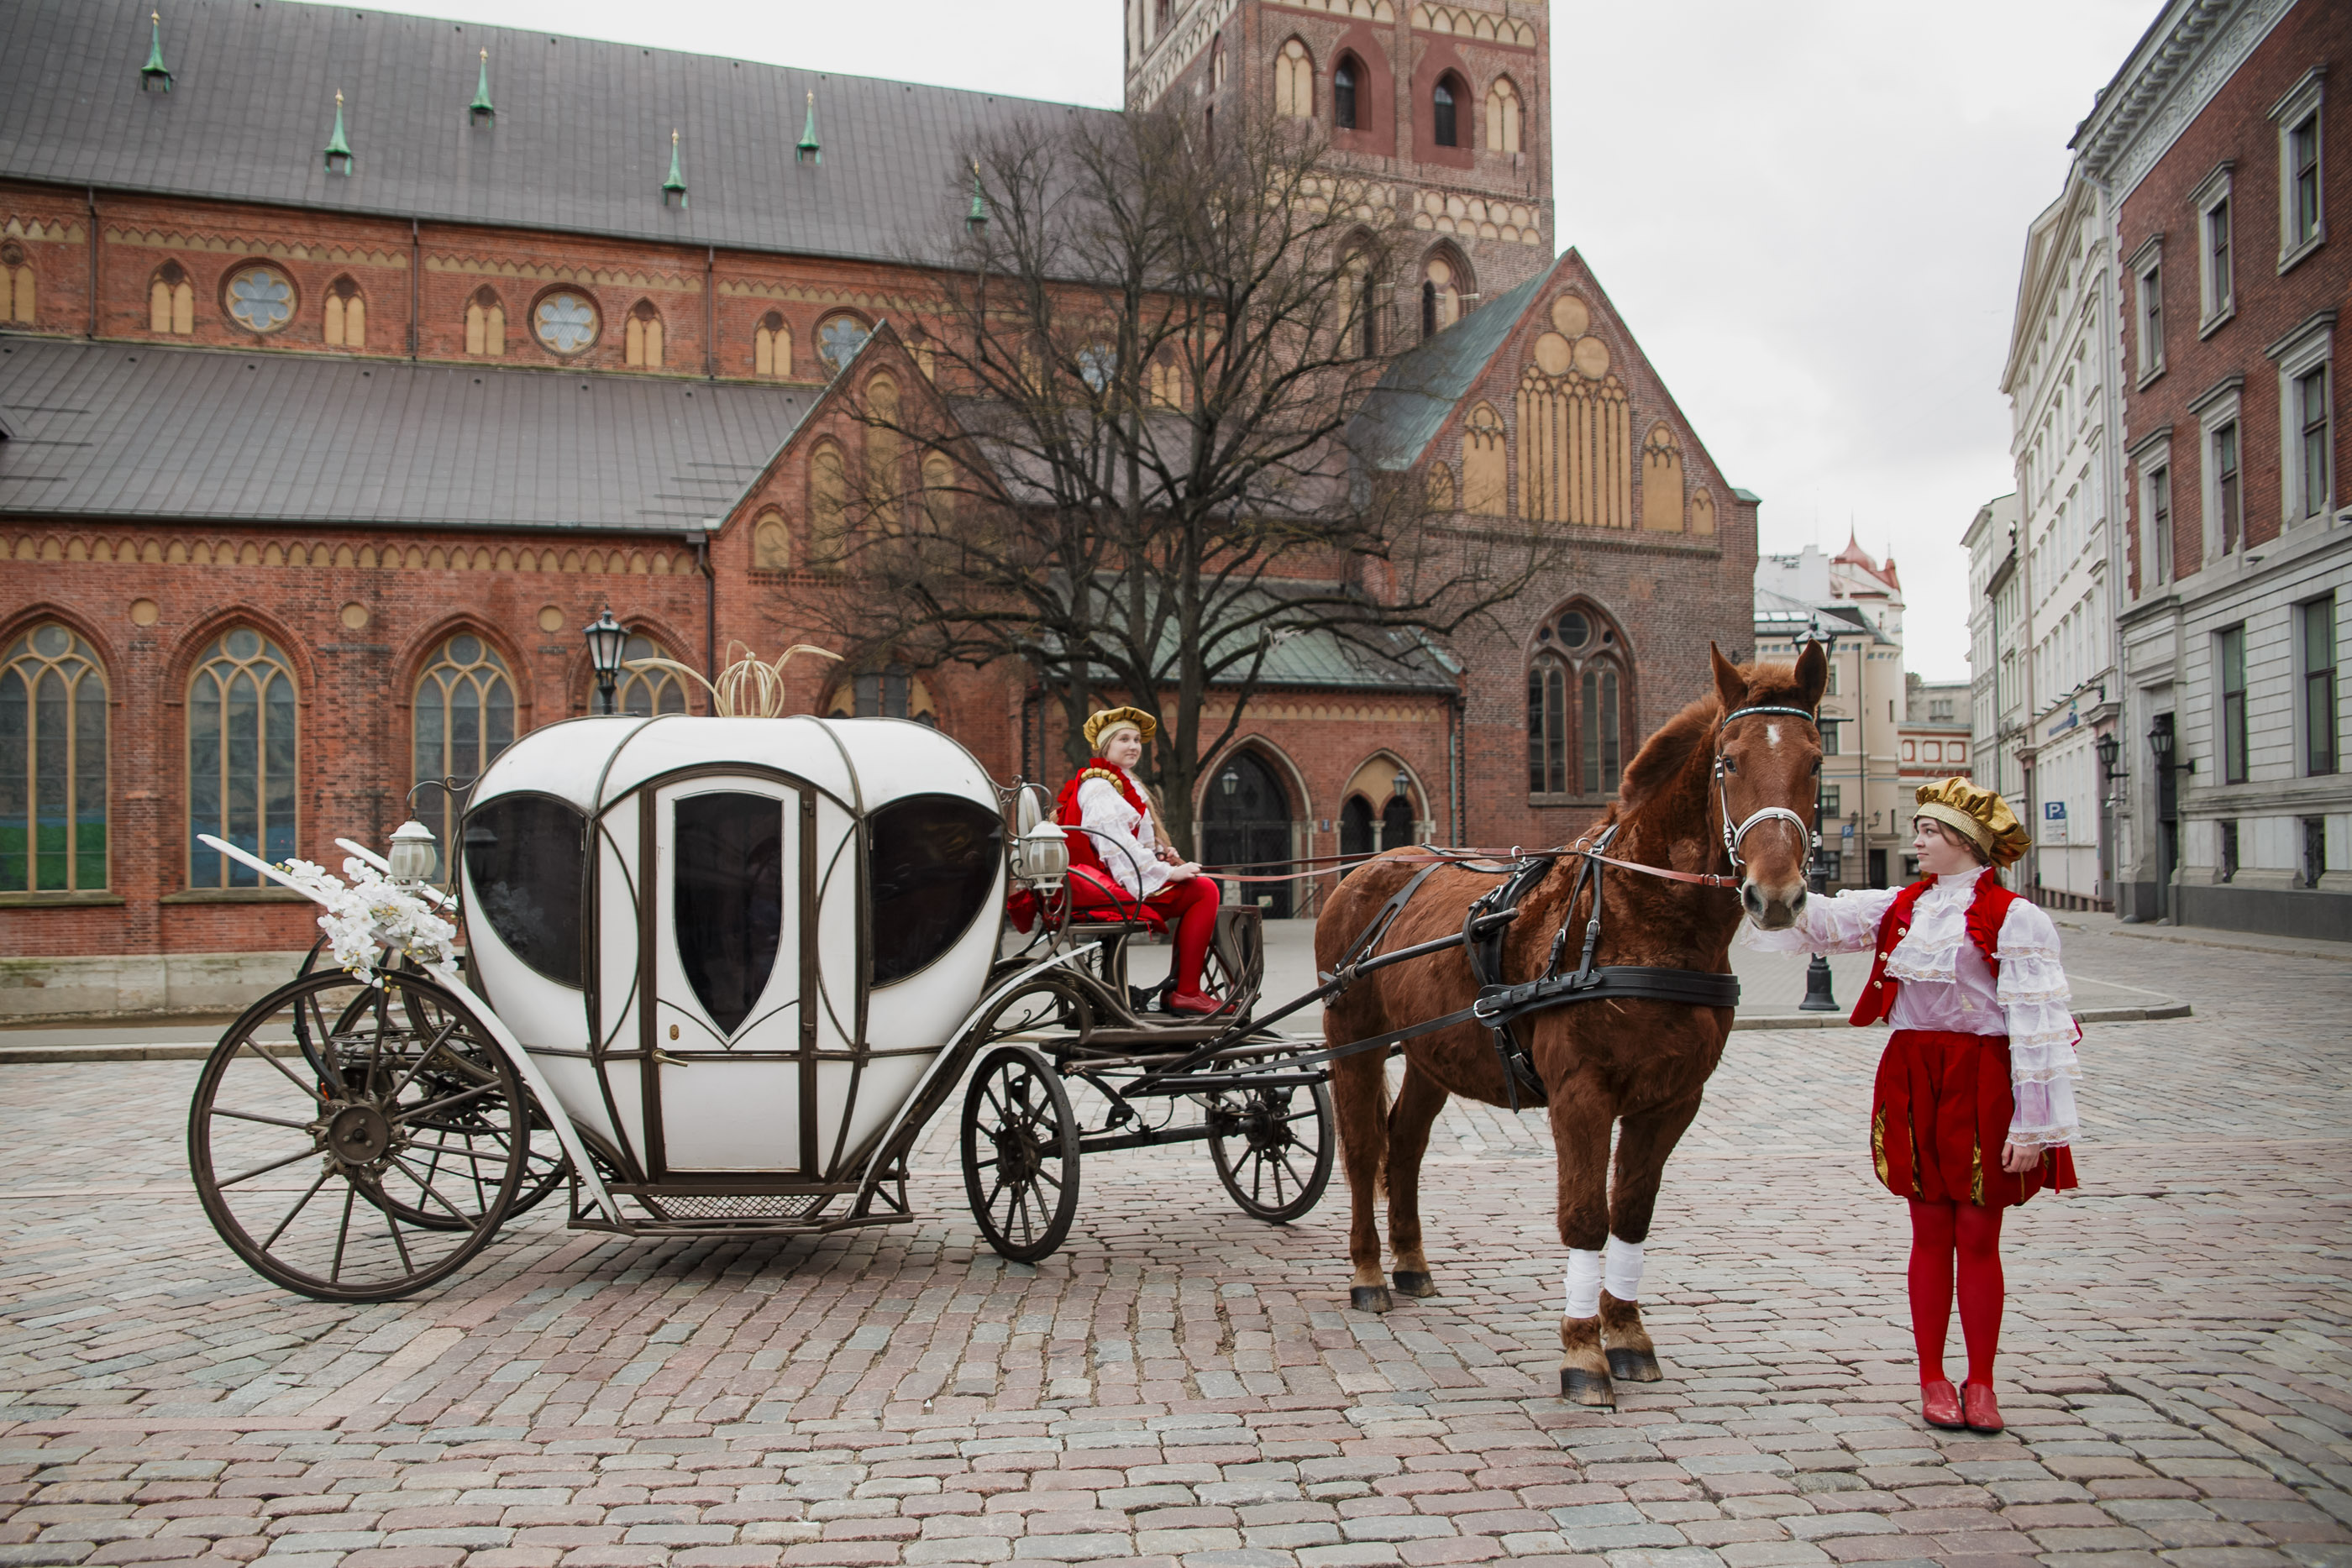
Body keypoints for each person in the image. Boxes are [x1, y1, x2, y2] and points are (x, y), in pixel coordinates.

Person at [1742, 777, 2080, 1435]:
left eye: (1929, 830)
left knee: (1980, 1236)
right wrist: (1763, 874)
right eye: (1920, 829)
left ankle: (1980, 1380)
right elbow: (1823, 918)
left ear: (1964, 839)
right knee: (1928, 1233)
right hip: (1913, 1074)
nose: (1918, 840)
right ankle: (1932, 1376)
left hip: (1984, 1076)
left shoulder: (2015, 917)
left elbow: (2040, 1027)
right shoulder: (1903, 905)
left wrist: (2034, 1124)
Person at [1055, 707, 1230, 1016]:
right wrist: (1170, 873)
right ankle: (1187, 992)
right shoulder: (1099, 787)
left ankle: (1184, 989)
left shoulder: (1119, 783)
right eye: (1124, 739)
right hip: (1106, 890)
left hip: (1110, 883)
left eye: (1136, 739)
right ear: (1105, 745)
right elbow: (1117, 848)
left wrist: (1162, 855)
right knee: (1204, 891)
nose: (1134, 745)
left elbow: (1134, 844)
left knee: (1201, 887)